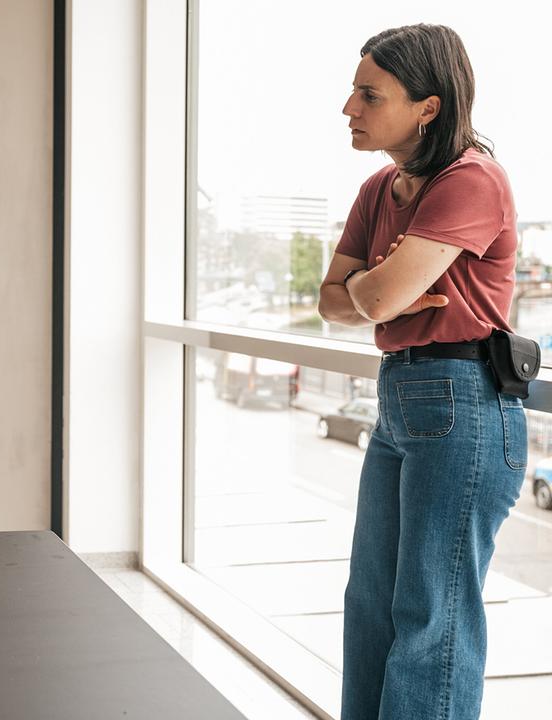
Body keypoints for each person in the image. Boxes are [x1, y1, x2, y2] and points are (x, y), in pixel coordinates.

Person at [319, 25, 524, 720]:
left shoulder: (471, 180)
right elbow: (334, 301)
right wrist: (385, 286)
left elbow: (368, 299)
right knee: (371, 605)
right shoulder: (381, 187)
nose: (349, 107)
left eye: (369, 94)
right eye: (354, 90)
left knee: (430, 620)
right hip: (402, 395)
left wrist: (376, 288)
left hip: (464, 399)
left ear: (428, 107)